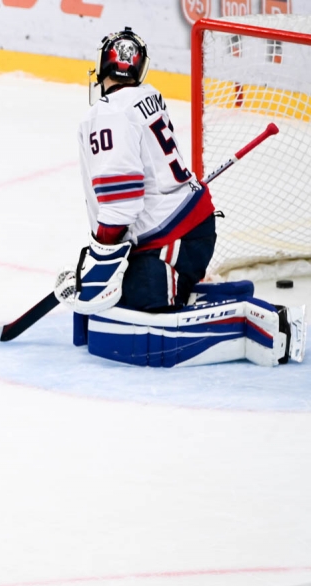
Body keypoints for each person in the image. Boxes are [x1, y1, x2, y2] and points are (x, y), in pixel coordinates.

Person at [54, 27, 306, 367]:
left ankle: (265, 323)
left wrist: (102, 252)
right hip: (187, 230)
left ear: (102, 67)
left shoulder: (107, 113)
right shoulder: (147, 96)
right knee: (105, 298)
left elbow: (121, 203)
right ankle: (198, 289)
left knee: (125, 302)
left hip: (172, 240)